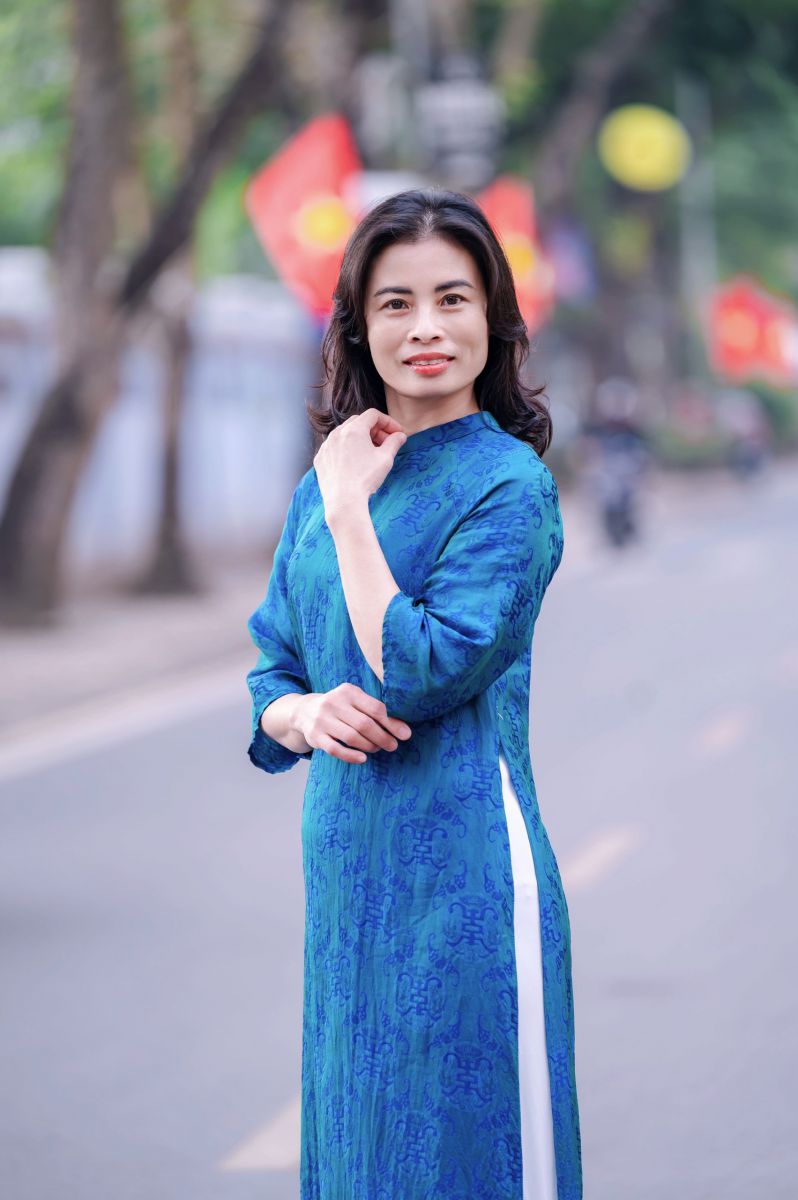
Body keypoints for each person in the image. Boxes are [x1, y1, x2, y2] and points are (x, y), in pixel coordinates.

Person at [245, 188, 583, 1200]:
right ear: (359, 325)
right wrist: (304, 714)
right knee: (361, 1154)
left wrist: (353, 513)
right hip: (348, 874)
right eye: (396, 303)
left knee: (460, 1160)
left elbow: (425, 669)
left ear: (494, 319)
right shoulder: (326, 480)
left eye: (452, 299)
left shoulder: (508, 486)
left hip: (465, 875)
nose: (426, 326)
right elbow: (272, 668)